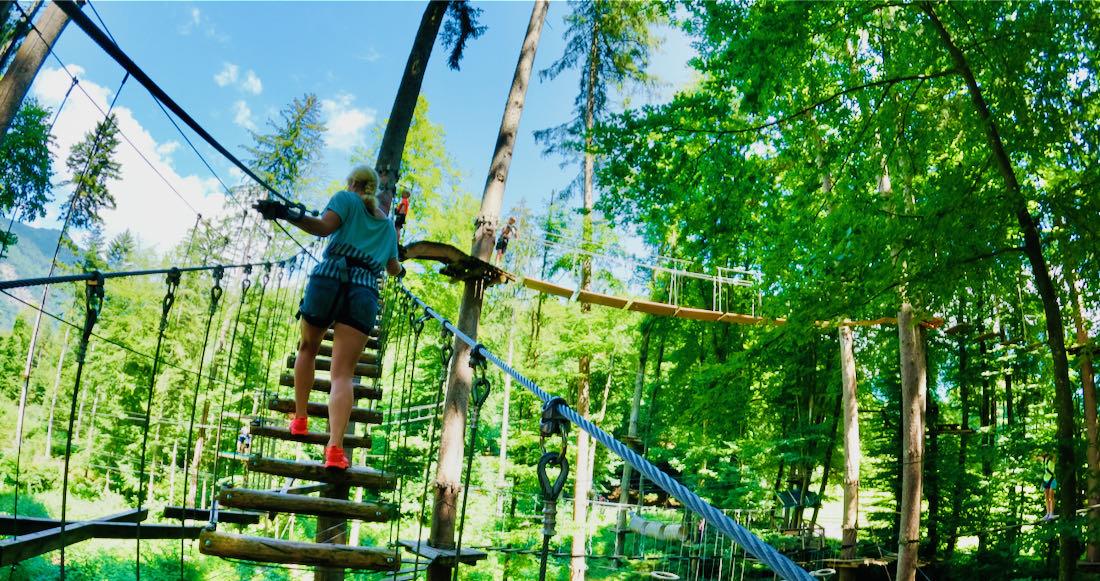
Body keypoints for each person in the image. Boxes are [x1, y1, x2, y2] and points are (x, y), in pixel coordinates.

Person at [254, 165, 402, 470]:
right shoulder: (387, 227)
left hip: (330, 277)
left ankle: (300, 418)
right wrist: (402, 264)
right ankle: (334, 449)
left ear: (352, 183)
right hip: (363, 289)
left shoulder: (345, 200)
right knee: (343, 374)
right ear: (373, 189)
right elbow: (392, 268)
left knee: (307, 348)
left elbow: (323, 228)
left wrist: (287, 213)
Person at [1040, 452, 1057, 520]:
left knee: (1051, 497)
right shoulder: (1044, 462)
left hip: (1052, 480)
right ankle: (1047, 513)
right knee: (1046, 498)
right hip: (1045, 480)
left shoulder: (1052, 460)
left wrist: (1050, 452)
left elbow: (1054, 455)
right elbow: (1037, 457)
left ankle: (1051, 513)